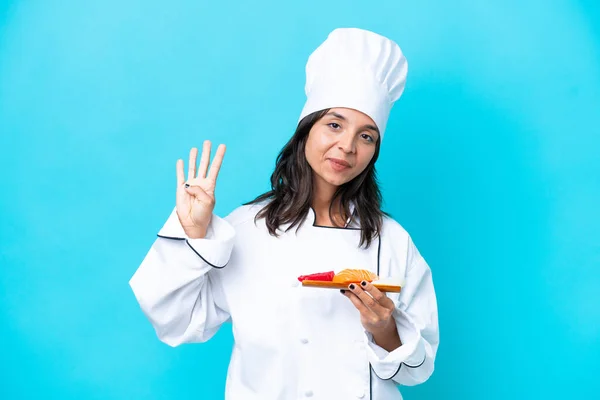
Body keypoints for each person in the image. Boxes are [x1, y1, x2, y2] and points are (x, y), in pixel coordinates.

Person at [129, 27, 439, 399]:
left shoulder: (392, 240)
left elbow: (416, 371)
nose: (347, 146)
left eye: (366, 136)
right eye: (335, 125)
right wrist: (193, 233)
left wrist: (383, 326)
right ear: (306, 131)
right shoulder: (246, 228)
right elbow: (175, 322)